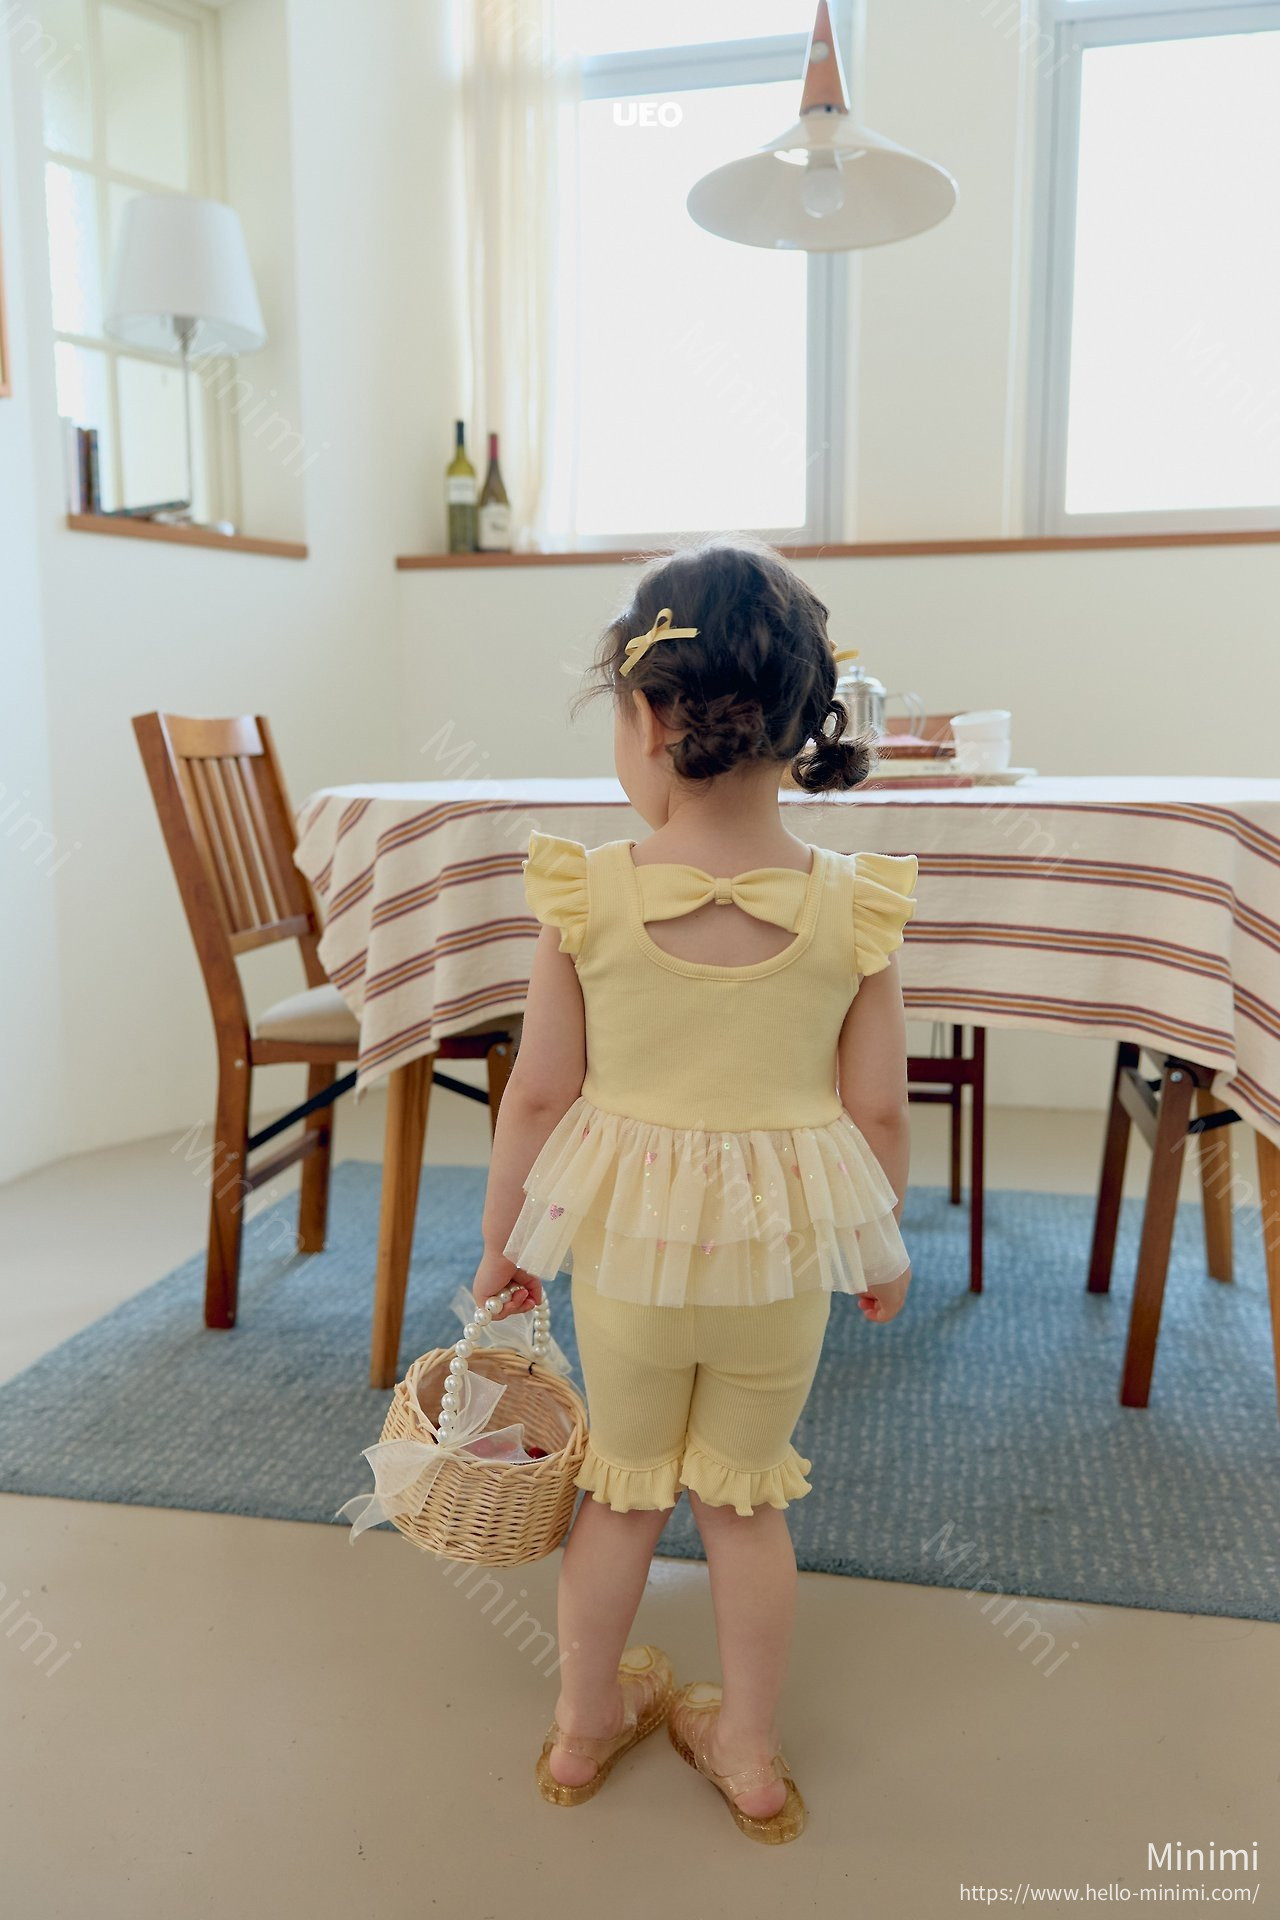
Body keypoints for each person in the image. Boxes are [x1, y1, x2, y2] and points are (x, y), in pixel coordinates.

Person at [470, 537, 916, 1844]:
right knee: (743, 1501)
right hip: (778, 1267)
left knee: (622, 1492)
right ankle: (753, 1754)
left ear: (650, 718)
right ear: (801, 723)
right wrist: (877, 1249)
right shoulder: (854, 908)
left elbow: (538, 1096)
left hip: (629, 1258)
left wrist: (506, 1247)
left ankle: (581, 1725)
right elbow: (880, 1111)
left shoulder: (589, 895)